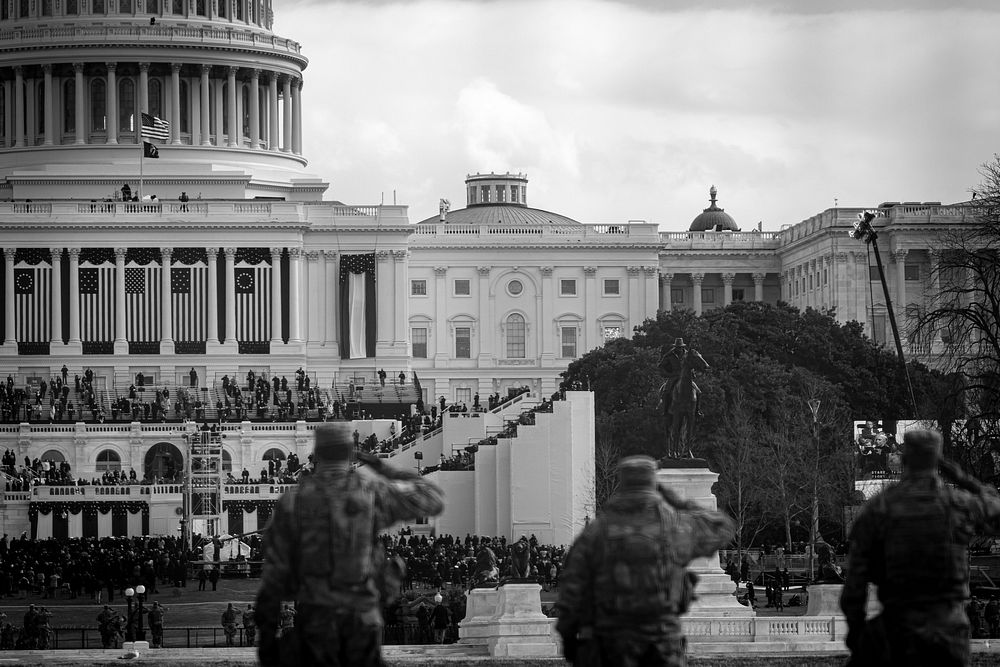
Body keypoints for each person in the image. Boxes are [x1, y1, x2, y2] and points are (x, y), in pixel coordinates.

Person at [255, 422, 445, 667]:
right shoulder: (373, 493)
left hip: (316, 618)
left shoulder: (292, 502)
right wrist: (388, 471)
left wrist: (268, 640)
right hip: (362, 618)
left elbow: (274, 574)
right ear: (350, 453)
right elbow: (434, 500)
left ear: (317, 455)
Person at [841, 429, 1000, 667]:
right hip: (948, 632)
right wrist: (963, 479)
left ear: (904, 460)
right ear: (937, 461)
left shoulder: (879, 507)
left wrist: (856, 637)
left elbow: (854, 586)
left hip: (897, 629)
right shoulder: (959, 503)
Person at [554, 455, 734, 667]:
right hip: (661, 644)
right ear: (654, 485)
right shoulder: (676, 529)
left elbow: (570, 593)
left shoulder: (595, 533)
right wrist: (678, 502)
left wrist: (568, 638)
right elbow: (723, 528)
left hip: (608, 643)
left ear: (621, 485)